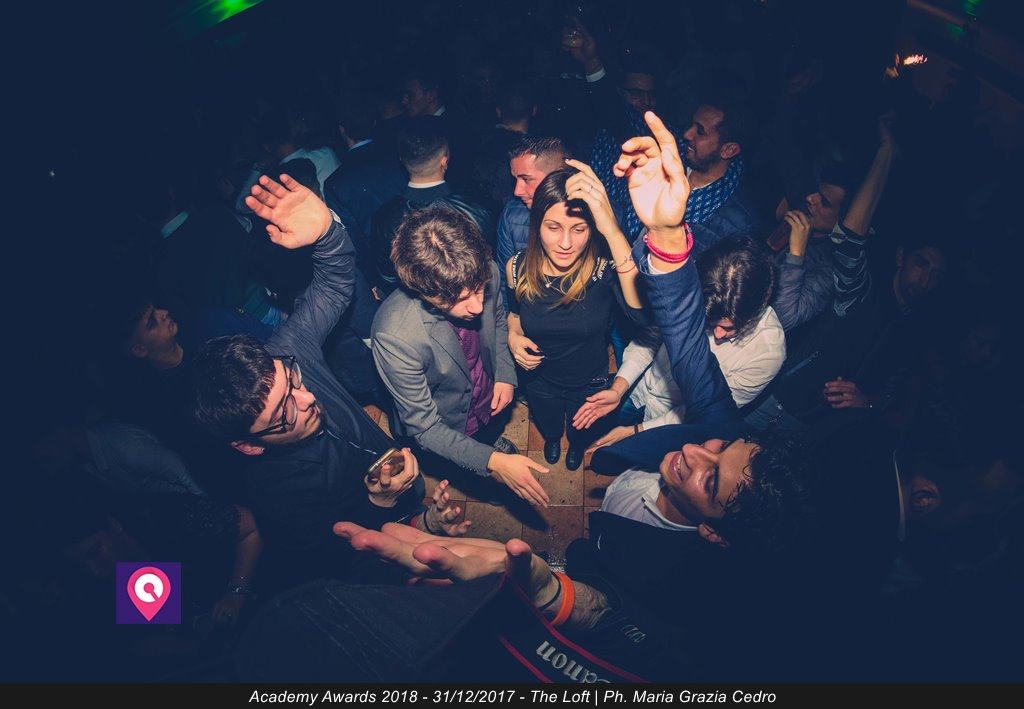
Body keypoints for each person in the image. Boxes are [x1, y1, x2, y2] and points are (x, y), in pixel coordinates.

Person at [323, 114, 820, 681]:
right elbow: (434, 411)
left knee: (573, 440)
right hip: (509, 399)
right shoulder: (467, 292)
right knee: (535, 434)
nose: (475, 305)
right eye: (553, 227)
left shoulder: (527, 270)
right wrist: (511, 353)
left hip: (579, 384)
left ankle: (563, 449)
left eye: (577, 228)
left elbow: (643, 323)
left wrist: (514, 357)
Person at [187, 173, 425, 586]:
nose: (307, 398)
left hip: (404, 484)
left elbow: (333, 286)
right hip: (382, 546)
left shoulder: (286, 349)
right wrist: (379, 503)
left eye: (292, 381)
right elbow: (332, 559)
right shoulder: (276, 495)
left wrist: (327, 233)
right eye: (283, 412)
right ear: (248, 445)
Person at [747, 118, 949, 432]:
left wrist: (869, 402)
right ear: (901, 258)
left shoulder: (914, 329)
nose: (924, 280)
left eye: (935, 275)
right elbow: (851, 237)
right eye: (921, 264)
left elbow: (895, 396)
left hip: (802, 423)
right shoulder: (864, 290)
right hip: (771, 395)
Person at [371, 207, 550, 507]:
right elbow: (427, 428)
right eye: (460, 299)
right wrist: (493, 462)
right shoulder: (394, 336)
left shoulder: (481, 269)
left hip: (486, 395)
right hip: (449, 421)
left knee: (488, 432)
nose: (477, 306)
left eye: (479, 290)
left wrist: (505, 375)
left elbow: (498, 319)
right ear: (422, 291)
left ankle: (488, 441)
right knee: (469, 467)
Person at [583, 236, 784, 452]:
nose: (718, 334)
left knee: (627, 456)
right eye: (710, 323)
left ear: (755, 313)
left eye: (729, 328)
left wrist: (636, 431)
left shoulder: (767, 355)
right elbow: (651, 337)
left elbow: (706, 413)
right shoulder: (690, 289)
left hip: (668, 422)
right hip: (637, 386)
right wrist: (619, 388)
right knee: (602, 430)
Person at [505, 161, 644, 471]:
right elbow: (514, 314)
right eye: (553, 228)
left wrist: (611, 228)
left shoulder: (605, 270)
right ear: (536, 225)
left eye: (579, 229)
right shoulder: (516, 268)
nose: (566, 243)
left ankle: (577, 447)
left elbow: (641, 313)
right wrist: (513, 336)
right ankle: (554, 439)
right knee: (549, 424)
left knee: (581, 430)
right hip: (539, 379)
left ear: (592, 228)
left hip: (589, 380)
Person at [370, 118, 493, 296]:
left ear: (402, 161)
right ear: (445, 161)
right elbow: (487, 266)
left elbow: (388, 279)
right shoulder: (475, 209)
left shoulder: (384, 217)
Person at [495, 135, 570, 280]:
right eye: (515, 179)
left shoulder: (599, 214)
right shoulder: (512, 215)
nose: (517, 191)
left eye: (527, 179)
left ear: (558, 175)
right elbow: (505, 281)